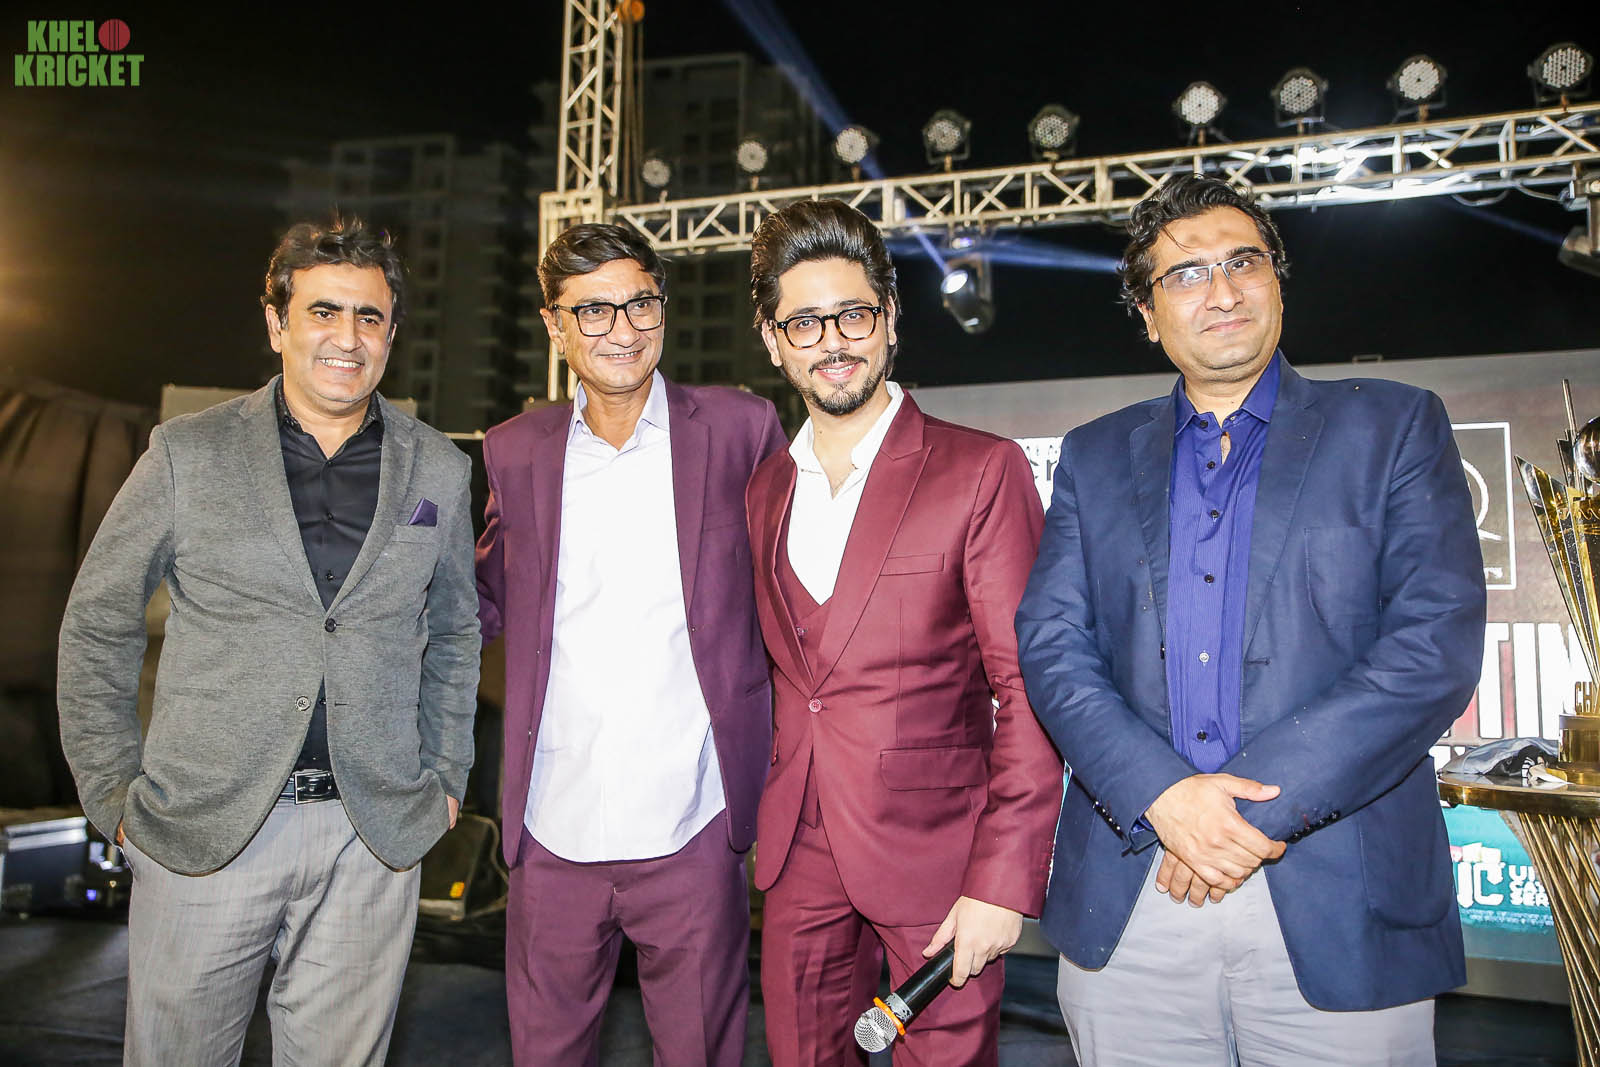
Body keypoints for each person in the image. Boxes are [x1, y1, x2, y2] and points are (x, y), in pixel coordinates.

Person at [1016, 174, 1486, 1064]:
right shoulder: (1093, 455)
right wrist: (1165, 798)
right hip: (1135, 891)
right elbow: (1054, 648)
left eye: (1245, 262)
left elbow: (1433, 648)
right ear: (1148, 315)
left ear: (1277, 280)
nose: (1224, 290)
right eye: (1187, 274)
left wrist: (1232, 816)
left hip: (1339, 894)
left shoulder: (1393, 428)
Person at [57, 216, 480, 1065]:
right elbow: (97, 620)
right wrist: (111, 793)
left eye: (369, 316)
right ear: (276, 321)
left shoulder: (439, 468)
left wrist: (444, 778)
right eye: (323, 311)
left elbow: (454, 629)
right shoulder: (186, 453)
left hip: (373, 835)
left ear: (392, 333)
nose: (347, 337)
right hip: (204, 832)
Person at [744, 199, 1062, 1065]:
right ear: (772, 340)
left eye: (852, 314)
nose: (831, 341)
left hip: (941, 862)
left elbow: (1027, 690)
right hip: (799, 855)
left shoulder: (980, 469)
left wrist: (1001, 879)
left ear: (889, 319)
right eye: (804, 322)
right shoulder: (765, 489)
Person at [475, 222, 785, 1066]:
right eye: (594, 310)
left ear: (663, 307)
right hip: (551, 827)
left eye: (640, 303)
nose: (622, 328)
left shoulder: (741, 428)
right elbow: (485, 601)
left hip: (694, 825)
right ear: (555, 324)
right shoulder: (513, 451)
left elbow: (789, 594)